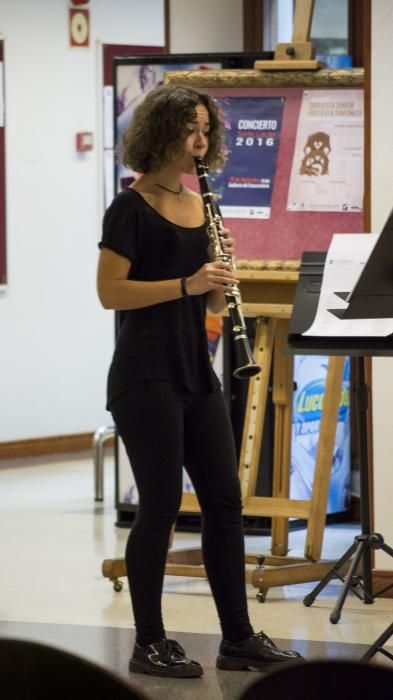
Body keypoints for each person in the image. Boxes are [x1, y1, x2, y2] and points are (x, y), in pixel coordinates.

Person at [97, 83, 302, 679]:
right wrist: (186, 283)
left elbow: (212, 301)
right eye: (191, 128)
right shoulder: (129, 208)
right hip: (143, 372)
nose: (201, 141)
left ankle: (237, 638)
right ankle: (149, 641)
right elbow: (111, 293)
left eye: (207, 130)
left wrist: (217, 278)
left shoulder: (202, 204)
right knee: (159, 506)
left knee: (224, 503)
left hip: (194, 368)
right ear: (162, 132)